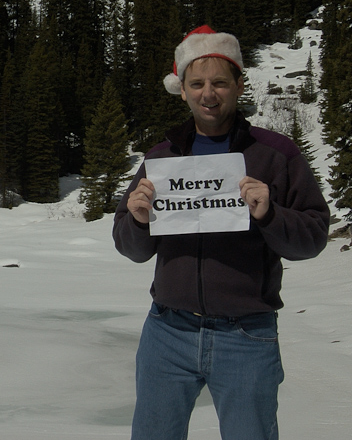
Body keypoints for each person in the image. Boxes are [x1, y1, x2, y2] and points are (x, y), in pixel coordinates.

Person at [113, 25, 330, 440]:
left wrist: (270, 215)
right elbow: (129, 246)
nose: (207, 94)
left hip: (246, 336)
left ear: (238, 86)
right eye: (197, 84)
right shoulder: (162, 158)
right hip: (168, 332)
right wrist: (139, 220)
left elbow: (314, 236)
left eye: (219, 83)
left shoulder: (276, 154)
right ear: (182, 89)